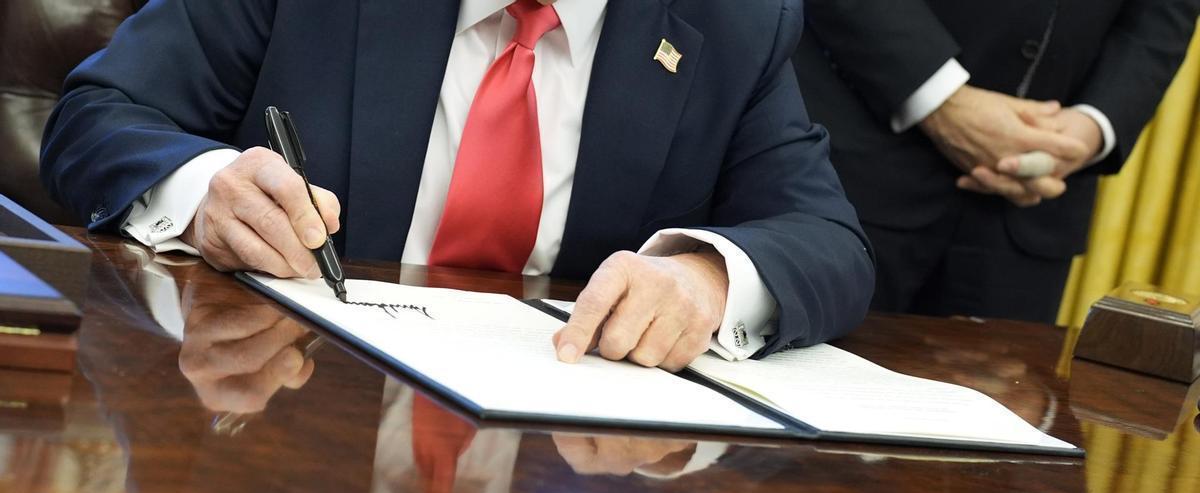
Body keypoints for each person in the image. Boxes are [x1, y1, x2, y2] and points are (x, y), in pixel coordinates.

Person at [40, 0, 875, 370]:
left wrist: (705, 277)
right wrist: (207, 187)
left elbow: (827, 239)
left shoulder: (736, 20)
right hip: (285, 385)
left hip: (571, 453)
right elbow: (98, 116)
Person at [792, 0, 1200, 322]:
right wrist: (943, 102)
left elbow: (1164, 11)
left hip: (1032, 213)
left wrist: (1091, 127)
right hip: (852, 170)